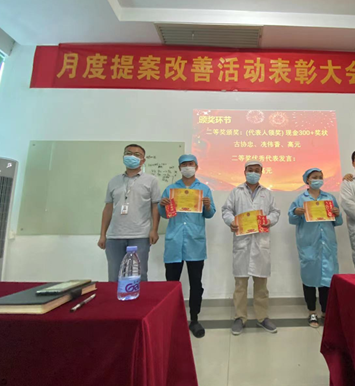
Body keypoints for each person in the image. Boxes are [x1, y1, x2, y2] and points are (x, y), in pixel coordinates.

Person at [159, 154, 216, 339]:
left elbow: (210, 214)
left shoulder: (204, 189)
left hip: (195, 243)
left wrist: (207, 206)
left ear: (196, 167)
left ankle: (194, 319)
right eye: (184, 164)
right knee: (171, 283)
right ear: (179, 168)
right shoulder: (170, 189)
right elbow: (165, 214)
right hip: (175, 242)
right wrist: (162, 205)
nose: (187, 167)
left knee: (195, 283)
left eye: (191, 164)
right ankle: (171, 318)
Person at [222, 160, 281, 335]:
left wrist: (269, 220)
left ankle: (262, 317)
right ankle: (240, 317)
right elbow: (226, 210)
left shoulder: (267, 193)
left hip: (260, 243)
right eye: (250, 170)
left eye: (256, 170)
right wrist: (231, 221)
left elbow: (275, 212)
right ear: (244, 172)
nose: (253, 173)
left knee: (261, 285)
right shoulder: (236, 192)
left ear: (261, 173)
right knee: (240, 285)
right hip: (242, 242)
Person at [98, 144, 161, 282]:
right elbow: (108, 208)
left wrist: (154, 230)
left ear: (143, 160)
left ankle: (139, 298)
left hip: (140, 235)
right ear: (123, 157)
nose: (132, 156)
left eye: (137, 155)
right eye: (128, 153)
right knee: (114, 277)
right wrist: (103, 234)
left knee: (139, 276)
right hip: (114, 236)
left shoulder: (151, 181)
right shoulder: (114, 181)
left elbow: (155, 207)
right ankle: (116, 298)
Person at [288, 168, 342, 328]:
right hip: (309, 245)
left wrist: (337, 213)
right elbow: (292, 220)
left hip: (327, 244)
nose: (317, 180)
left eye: (320, 177)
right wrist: (296, 212)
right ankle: (312, 311)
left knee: (327, 280)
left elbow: (338, 222)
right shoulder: (300, 199)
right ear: (307, 180)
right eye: (314, 177)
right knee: (309, 279)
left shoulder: (329, 198)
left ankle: (326, 311)